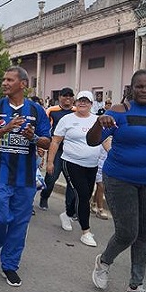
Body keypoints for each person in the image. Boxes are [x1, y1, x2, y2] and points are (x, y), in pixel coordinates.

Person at [0, 66, 51, 287]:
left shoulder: (37, 110)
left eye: (9, 79)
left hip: (26, 178)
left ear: (23, 84)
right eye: (3, 79)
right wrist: (6, 129)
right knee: (0, 218)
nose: (4, 83)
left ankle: (10, 265)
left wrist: (34, 137)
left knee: (20, 224)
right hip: (0, 175)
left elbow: (46, 142)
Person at [87, 69, 146, 292]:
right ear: (132, 89)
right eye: (140, 86)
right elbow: (92, 141)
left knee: (145, 233)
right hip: (119, 178)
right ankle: (103, 262)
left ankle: (136, 284)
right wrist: (99, 123)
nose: (145, 90)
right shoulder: (118, 112)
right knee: (127, 232)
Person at [46, 90, 101, 246]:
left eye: (86, 100)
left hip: (92, 165)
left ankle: (68, 214)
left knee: (84, 194)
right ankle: (86, 231)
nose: (82, 103)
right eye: (80, 100)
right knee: (83, 195)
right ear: (76, 103)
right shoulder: (67, 119)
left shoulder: (97, 120)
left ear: (91, 104)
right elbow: (55, 142)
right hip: (71, 162)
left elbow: (105, 141)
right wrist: (50, 162)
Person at [38, 87, 76, 210]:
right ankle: (44, 197)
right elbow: (44, 129)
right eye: (65, 95)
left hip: (72, 151)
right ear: (59, 97)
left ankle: (70, 208)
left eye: (70, 96)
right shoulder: (52, 111)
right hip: (57, 149)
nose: (68, 98)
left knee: (72, 181)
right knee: (51, 177)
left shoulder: (77, 111)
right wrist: (42, 149)